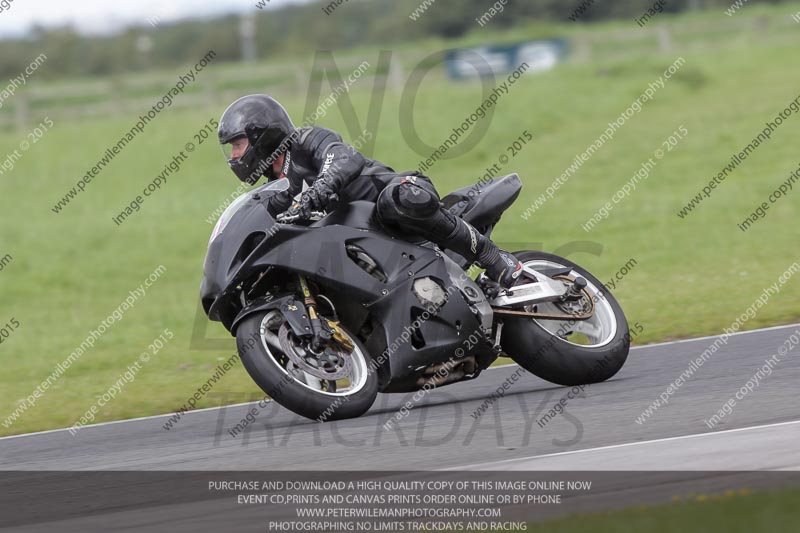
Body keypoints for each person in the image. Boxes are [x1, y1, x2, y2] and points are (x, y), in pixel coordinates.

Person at [217, 94, 522, 288]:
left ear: (263, 135)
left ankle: (493, 257)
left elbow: (346, 159)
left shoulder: (307, 140)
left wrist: (316, 192)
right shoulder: (278, 192)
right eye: (231, 149)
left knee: (400, 199)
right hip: (367, 246)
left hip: (396, 199)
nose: (234, 156)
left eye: (238, 144)